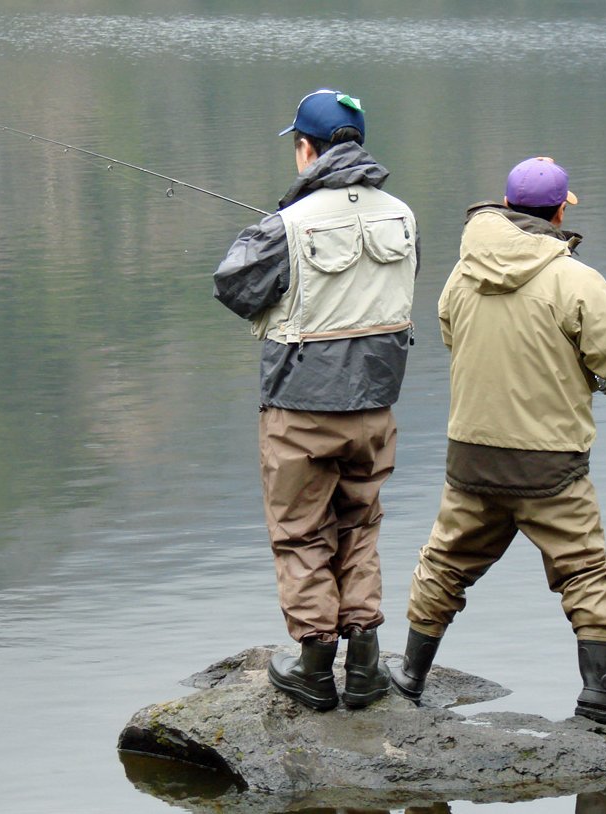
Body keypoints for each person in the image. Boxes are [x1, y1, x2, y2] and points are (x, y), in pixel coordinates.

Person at [389, 157, 606, 725]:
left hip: (471, 456)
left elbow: (451, 334)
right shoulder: (574, 279)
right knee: (584, 570)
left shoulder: (462, 274)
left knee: (445, 563)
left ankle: (409, 675)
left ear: (506, 207)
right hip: (549, 463)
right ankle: (600, 693)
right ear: (559, 214)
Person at [213, 89, 419, 712]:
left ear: (307, 149)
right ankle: (365, 665)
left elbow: (234, 286)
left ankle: (314, 668)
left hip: (300, 408)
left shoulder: (287, 225)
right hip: (376, 407)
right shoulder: (403, 216)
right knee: (360, 524)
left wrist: (281, 222)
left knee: (302, 533)